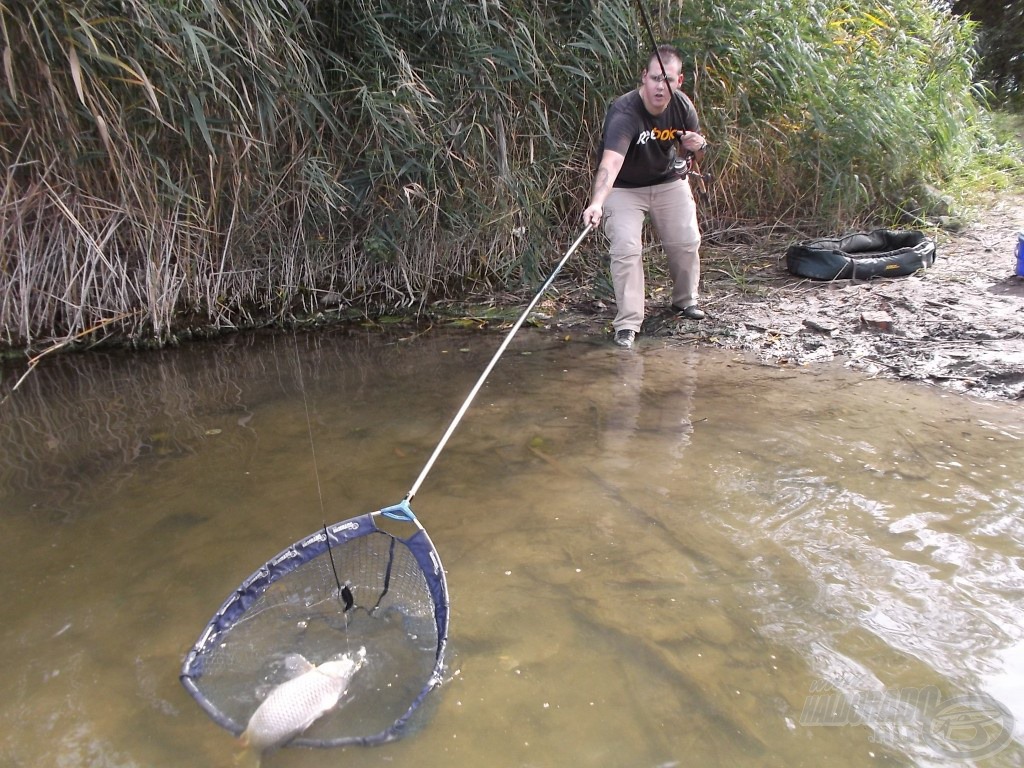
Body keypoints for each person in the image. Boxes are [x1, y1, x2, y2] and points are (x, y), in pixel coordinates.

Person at [582, 44, 708, 349]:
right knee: (626, 248)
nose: (659, 87)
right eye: (654, 79)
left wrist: (698, 145)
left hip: (667, 181)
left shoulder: (682, 106)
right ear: (644, 78)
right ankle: (628, 323)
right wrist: (597, 202)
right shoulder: (625, 112)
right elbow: (610, 163)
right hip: (624, 188)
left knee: (686, 240)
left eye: (667, 81)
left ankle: (684, 301)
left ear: (679, 81)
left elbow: (693, 150)